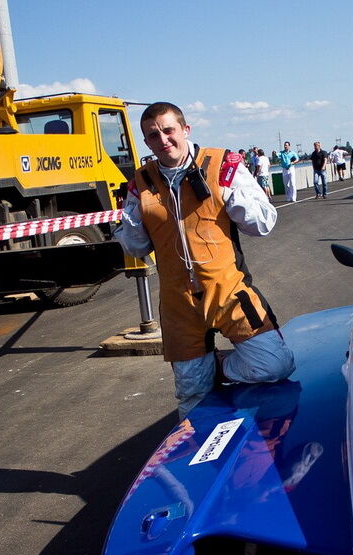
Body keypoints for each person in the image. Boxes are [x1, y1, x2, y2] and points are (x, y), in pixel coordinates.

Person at [113, 101, 294, 419]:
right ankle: (199, 459)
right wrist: (129, 221)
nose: (164, 140)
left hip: (229, 291)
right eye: (153, 136)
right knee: (192, 395)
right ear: (146, 142)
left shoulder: (222, 164)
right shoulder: (141, 183)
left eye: (169, 131)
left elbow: (263, 224)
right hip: (178, 303)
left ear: (185, 129)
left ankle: (219, 366)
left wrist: (229, 195)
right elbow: (137, 248)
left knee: (274, 365)